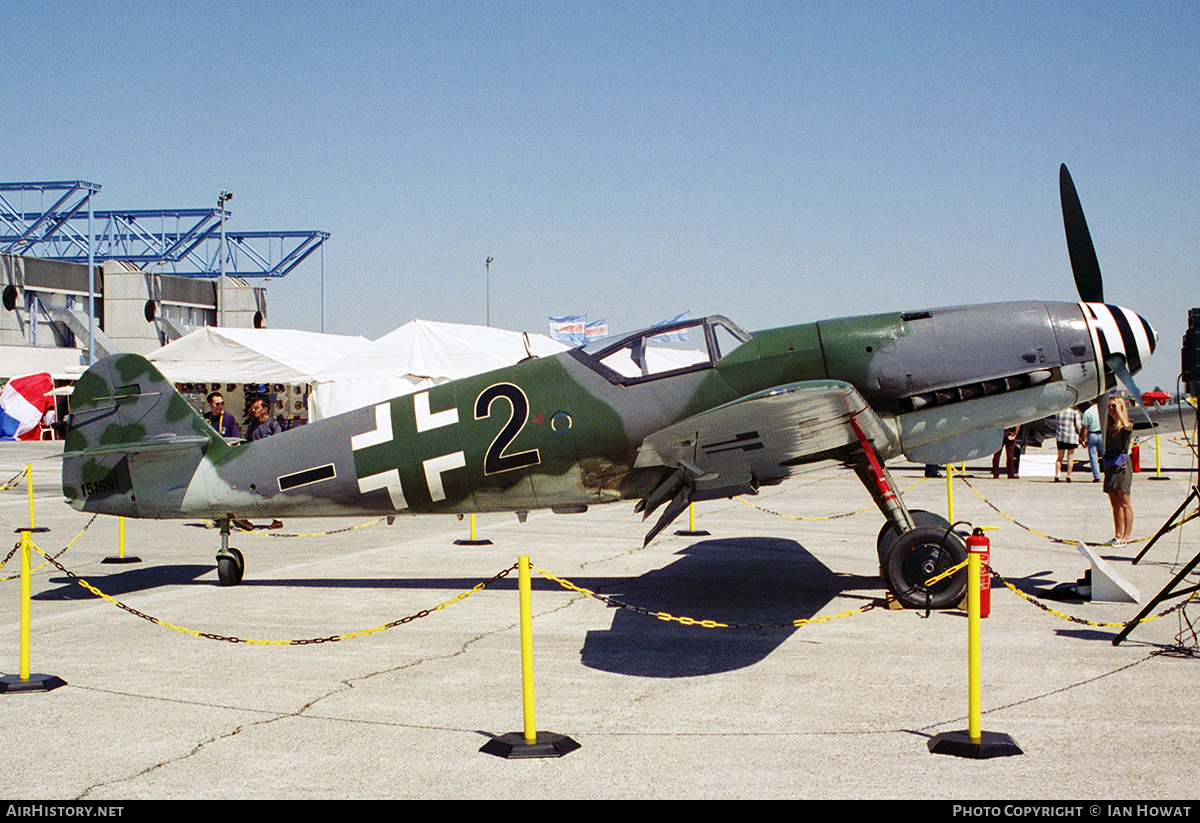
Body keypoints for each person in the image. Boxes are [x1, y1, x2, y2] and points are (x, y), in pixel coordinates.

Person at [1102, 396, 1135, 545]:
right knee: (1114, 501)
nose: (1111, 410)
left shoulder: (1125, 425)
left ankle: (1126, 536)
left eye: (1113, 406)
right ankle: (1117, 534)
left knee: (1124, 500)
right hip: (1110, 463)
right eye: (1109, 407)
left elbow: (1128, 426)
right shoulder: (1109, 425)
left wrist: (1120, 412)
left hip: (1122, 464)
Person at [1054, 405, 1083, 482]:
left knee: (1059, 457)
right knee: (1070, 457)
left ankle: (1057, 475)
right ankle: (1068, 476)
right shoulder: (1074, 412)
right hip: (1071, 437)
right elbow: (1078, 425)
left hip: (1060, 436)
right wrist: (1080, 434)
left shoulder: (1058, 412)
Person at [1081, 400, 1103, 482]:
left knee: (1093, 456)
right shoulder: (1103, 410)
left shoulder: (1088, 412)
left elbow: (1085, 428)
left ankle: (1097, 476)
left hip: (1092, 434)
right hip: (1101, 434)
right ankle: (1109, 474)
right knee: (1105, 455)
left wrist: (1083, 439)